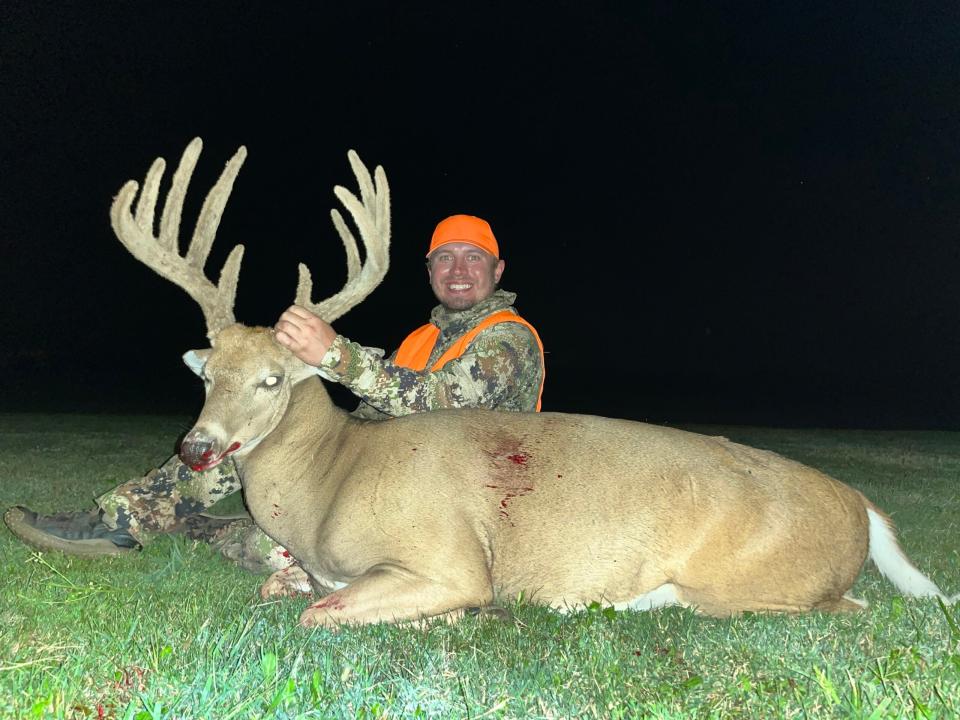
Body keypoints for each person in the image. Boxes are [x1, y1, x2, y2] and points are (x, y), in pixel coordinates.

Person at [5, 214, 545, 572]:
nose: (457, 271)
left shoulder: (509, 339)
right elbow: (379, 406)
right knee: (256, 430)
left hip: (448, 501)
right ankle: (123, 518)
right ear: (428, 270)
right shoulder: (422, 338)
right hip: (382, 474)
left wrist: (334, 355)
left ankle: (207, 529)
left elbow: (441, 400)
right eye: (444, 258)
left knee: (286, 550)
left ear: (497, 270)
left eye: (472, 258)